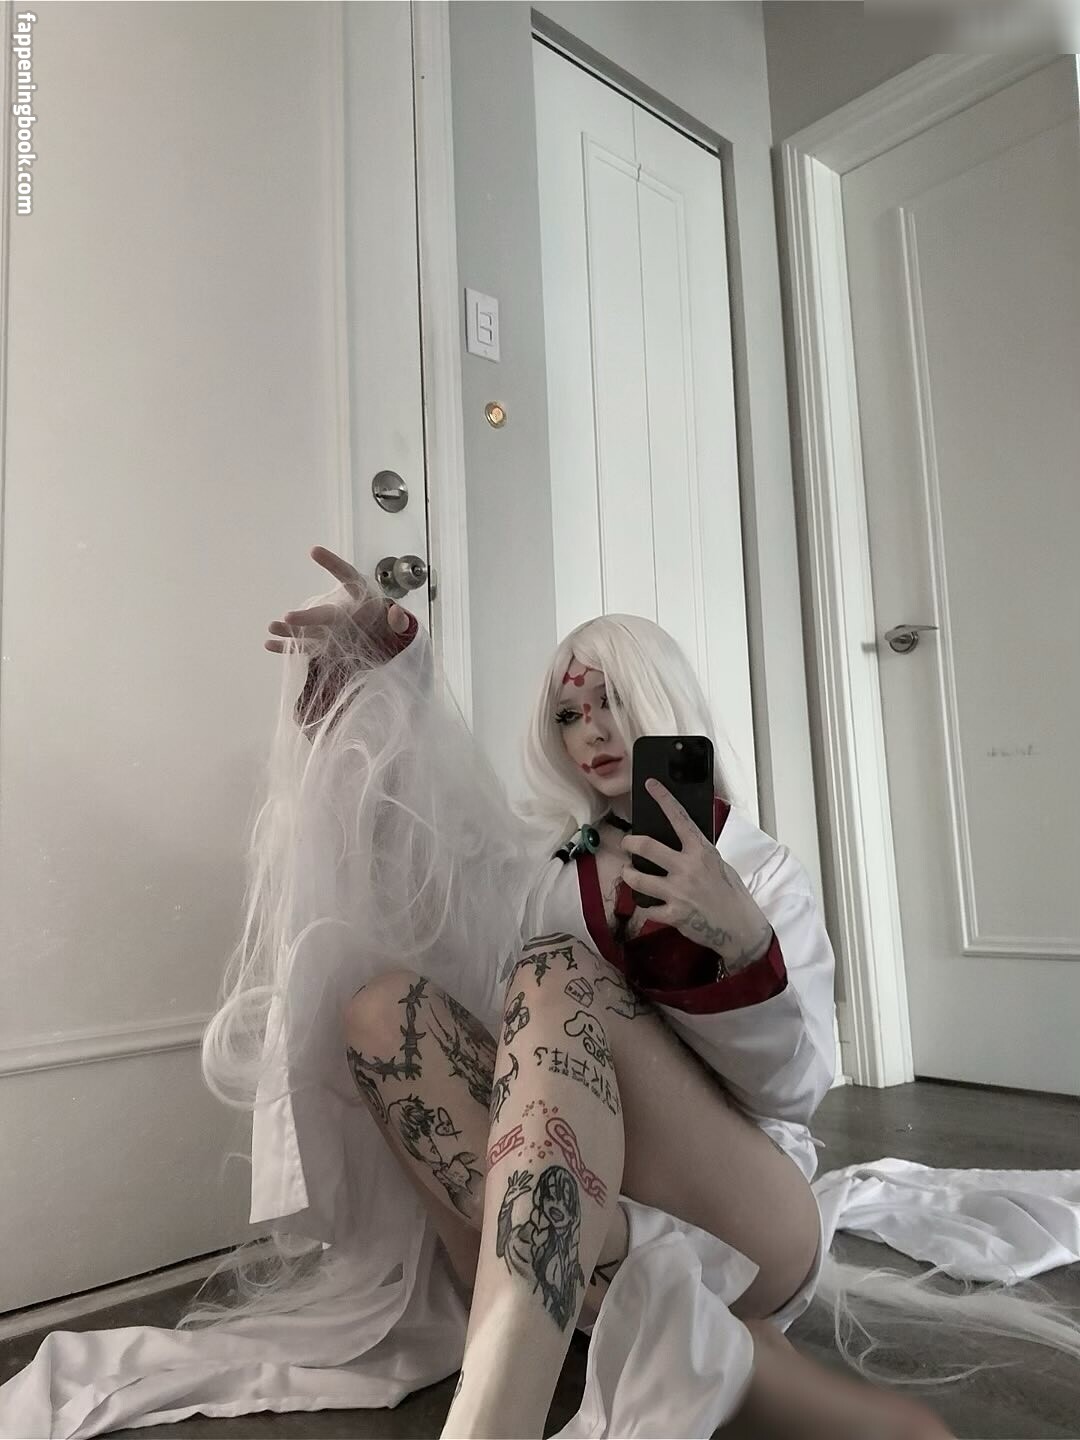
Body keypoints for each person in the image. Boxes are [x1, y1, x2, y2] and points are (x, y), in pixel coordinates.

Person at [3, 545, 1079, 1440]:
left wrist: (739, 940)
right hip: (565, 1221)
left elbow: (797, 1093)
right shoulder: (544, 867)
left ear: (667, 704)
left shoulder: (757, 867)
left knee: (556, 971)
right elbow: (412, 862)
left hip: (743, 1221)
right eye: (570, 712)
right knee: (382, 1007)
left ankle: (498, 1413)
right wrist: (389, 676)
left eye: (615, 701)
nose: (594, 730)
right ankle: (630, 1328)